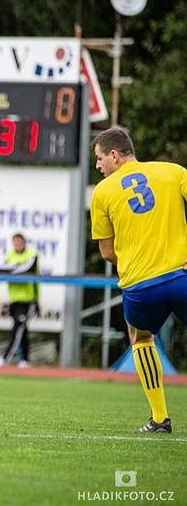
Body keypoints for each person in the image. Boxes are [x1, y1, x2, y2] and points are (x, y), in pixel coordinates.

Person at [90, 127, 187, 434]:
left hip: (141, 286)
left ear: (115, 156)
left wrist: (137, 255)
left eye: (100, 158)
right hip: (182, 276)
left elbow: (106, 252)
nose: (98, 165)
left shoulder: (103, 192)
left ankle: (159, 418)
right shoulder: (173, 172)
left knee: (141, 338)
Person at [0, 233, 38, 368]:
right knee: (22, 330)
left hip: (28, 299)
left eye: (20, 242)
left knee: (18, 328)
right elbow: (0, 269)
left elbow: (28, 268)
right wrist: (17, 267)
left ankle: (6, 358)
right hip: (14, 299)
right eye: (15, 243)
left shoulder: (32, 253)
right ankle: (25, 360)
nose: (17, 245)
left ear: (24, 242)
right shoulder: (11, 255)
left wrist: (13, 268)